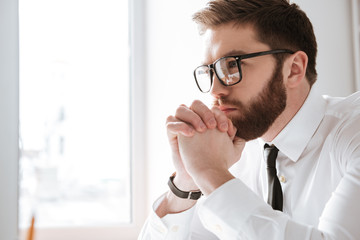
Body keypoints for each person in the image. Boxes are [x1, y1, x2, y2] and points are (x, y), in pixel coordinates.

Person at [139, 0, 360, 239]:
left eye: (232, 66)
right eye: (210, 71)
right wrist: (186, 183)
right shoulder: (228, 150)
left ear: (294, 69)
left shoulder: (352, 133)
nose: (215, 89)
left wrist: (210, 173)